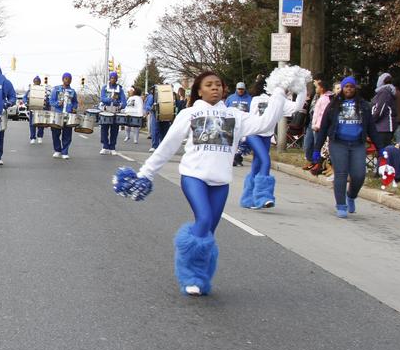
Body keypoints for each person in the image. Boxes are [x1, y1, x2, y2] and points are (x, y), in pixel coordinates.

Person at [125, 70, 300, 296]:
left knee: (209, 231)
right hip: (193, 177)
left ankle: (201, 276)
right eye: (209, 85)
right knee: (204, 218)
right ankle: (190, 274)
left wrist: (278, 90)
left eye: (218, 84)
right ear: (199, 90)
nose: (215, 88)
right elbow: (167, 146)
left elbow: (266, 121)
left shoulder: (235, 116)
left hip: (220, 182)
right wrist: (146, 173)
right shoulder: (189, 113)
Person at [314, 76, 385, 218]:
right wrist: (316, 149)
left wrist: (380, 147)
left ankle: (351, 196)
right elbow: (323, 128)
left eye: (351, 87)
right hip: (338, 143)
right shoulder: (333, 105)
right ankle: (341, 205)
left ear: (355, 88)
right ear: (342, 89)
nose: (348, 89)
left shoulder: (364, 105)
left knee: (359, 175)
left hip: (357, 144)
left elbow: (371, 128)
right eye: (346, 87)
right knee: (341, 174)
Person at [239, 84, 306, 210]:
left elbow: (298, 106)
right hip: (253, 134)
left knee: (257, 165)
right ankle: (262, 197)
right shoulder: (258, 99)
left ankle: (248, 198)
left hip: (266, 136)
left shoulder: (282, 101)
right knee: (265, 161)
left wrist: (301, 86)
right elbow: (252, 118)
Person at [50, 73, 79, 159]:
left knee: (67, 134)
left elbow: (75, 102)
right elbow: (51, 101)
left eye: (69, 79)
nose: (68, 80)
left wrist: (74, 108)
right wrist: (58, 103)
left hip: (68, 115)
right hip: (58, 114)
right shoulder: (56, 89)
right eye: (66, 78)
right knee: (55, 133)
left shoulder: (72, 91)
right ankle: (57, 150)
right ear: (63, 79)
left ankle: (65, 152)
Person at [303, 79, 331, 169]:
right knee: (307, 144)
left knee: (317, 144)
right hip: (312, 124)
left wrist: (318, 125)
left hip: (318, 126)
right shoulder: (319, 97)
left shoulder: (326, 99)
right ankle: (311, 160)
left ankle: (318, 163)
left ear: (322, 88)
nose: (316, 89)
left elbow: (323, 114)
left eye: (317, 87)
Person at [99, 71, 127, 155]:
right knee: (104, 129)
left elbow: (124, 101)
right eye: (112, 78)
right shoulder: (104, 88)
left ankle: (112, 147)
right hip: (106, 111)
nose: (113, 80)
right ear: (109, 79)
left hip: (115, 111)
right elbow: (102, 98)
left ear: (116, 79)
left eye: (115, 78)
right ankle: (105, 146)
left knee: (114, 130)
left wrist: (120, 105)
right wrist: (109, 100)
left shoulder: (120, 89)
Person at [371, 72, 397, 146]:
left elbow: (380, 110)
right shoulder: (387, 91)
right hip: (384, 127)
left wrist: (371, 121)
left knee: (382, 151)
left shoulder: (384, 92)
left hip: (383, 127)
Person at [25, 76, 46, 144]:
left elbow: (47, 98)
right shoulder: (30, 90)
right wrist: (26, 102)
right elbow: (25, 97)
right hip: (32, 109)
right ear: (33, 82)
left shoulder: (43, 89)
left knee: (41, 124)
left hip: (41, 110)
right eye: (35, 81)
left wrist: (46, 102)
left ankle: (40, 136)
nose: (36, 82)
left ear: (40, 82)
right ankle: (32, 137)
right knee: (32, 124)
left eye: (38, 81)